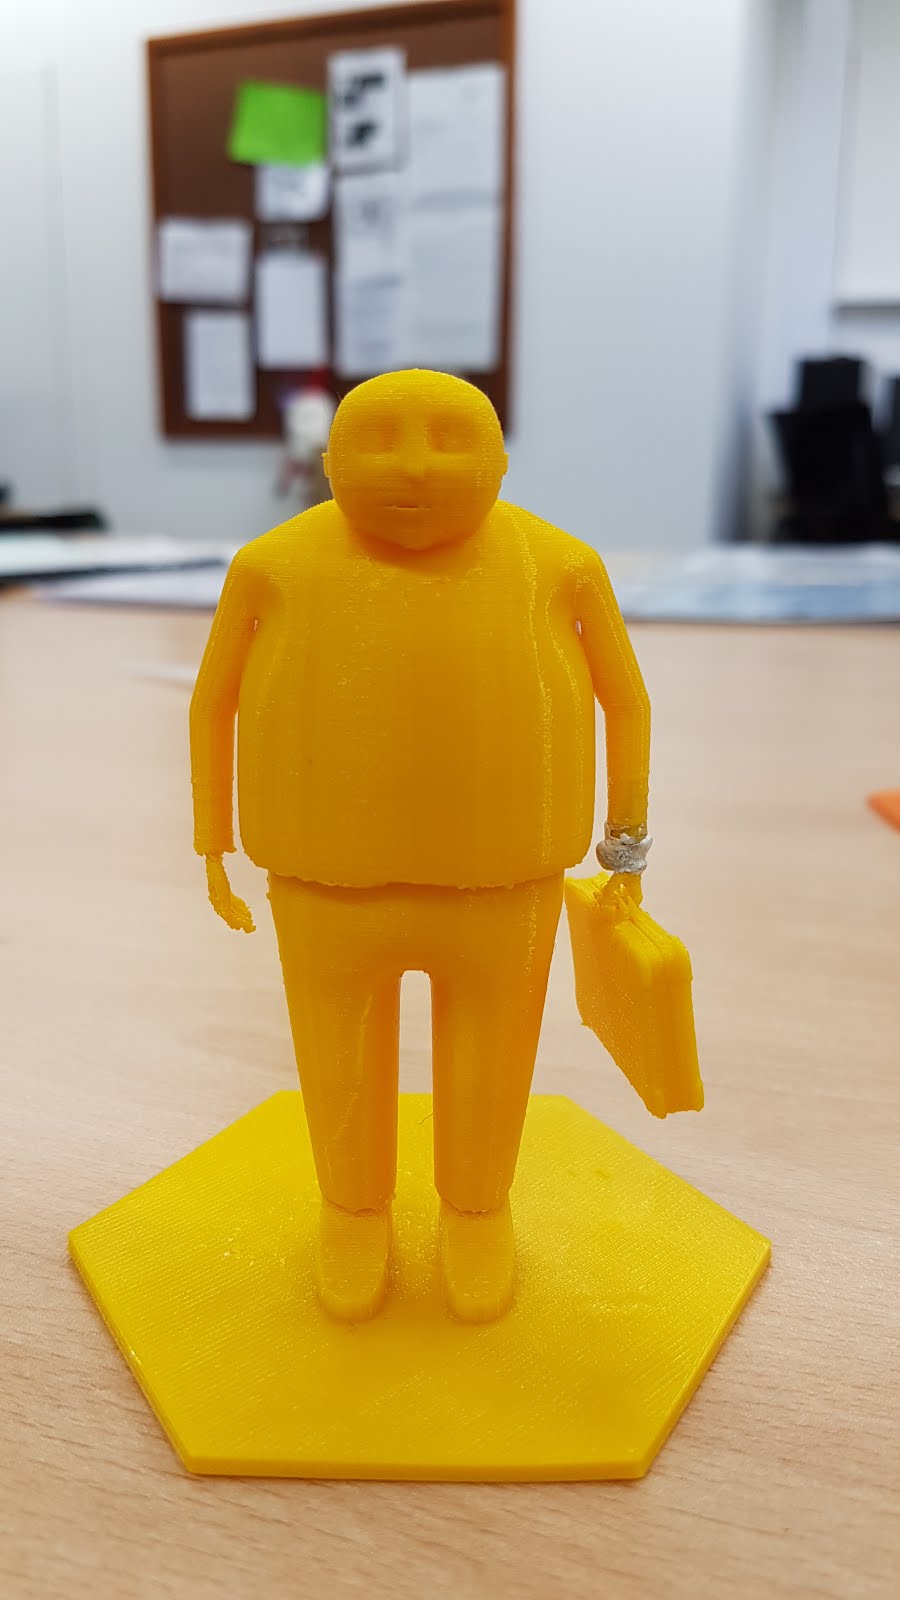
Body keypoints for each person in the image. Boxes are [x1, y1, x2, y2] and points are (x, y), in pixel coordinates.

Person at [190, 369, 650, 1325]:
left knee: (493, 1058)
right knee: (338, 1058)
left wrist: (626, 848)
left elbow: (626, 700)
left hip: (506, 877)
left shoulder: (559, 563)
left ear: (499, 458)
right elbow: (213, 702)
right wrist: (213, 843)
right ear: (328, 460)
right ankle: (351, 1209)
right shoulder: (272, 565)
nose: (411, 467)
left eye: (447, 440)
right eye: (378, 439)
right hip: (322, 876)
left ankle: (478, 1209)